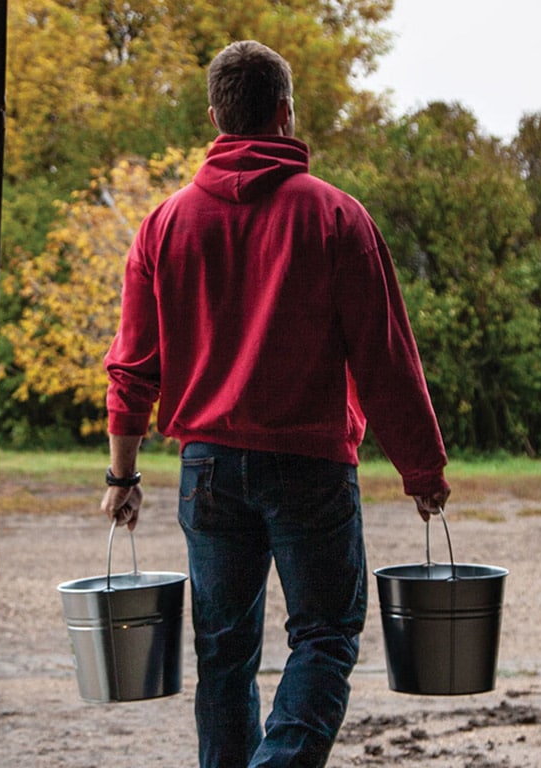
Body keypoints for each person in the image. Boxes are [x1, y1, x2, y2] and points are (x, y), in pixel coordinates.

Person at [99, 40, 451, 768]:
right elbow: (386, 359)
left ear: (216, 118)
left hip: (208, 470)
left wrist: (123, 477)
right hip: (310, 468)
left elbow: (134, 367)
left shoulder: (164, 225)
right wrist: (424, 471)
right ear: (286, 115)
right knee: (324, 636)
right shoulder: (337, 219)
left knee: (223, 655)